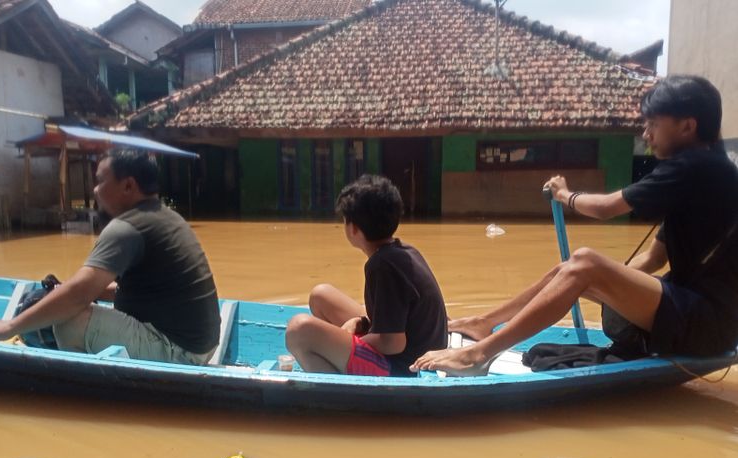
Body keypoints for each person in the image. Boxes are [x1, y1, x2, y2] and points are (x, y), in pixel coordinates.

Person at [411, 74, 738, 376]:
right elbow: (653, 258)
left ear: (687, 126)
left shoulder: (696, 165)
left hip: (706, 324)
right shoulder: (703, 174)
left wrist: (565, 194)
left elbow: (608, 208)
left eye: (653, 123)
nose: (645, 133)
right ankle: (485, 322)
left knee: (584, 263)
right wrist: (601, 285)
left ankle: (478, 355)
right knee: (572, 268)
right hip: (695, 313)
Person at [0, 149, 221, 365]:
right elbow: (134, 290)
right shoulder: (166, 217)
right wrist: (69, 289)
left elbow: (78, 296)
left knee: (68, 321)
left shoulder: (125, 228)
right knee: (50, 299)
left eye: (100, 181)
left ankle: (76, 381)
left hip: (178, 351)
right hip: (202, 345)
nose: (95, 191)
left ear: (128, 186)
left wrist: (8, 327)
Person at [285, 174, 448, 376]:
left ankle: (338, 389)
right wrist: (361, 323)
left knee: (298, 330)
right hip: (416, 349)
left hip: (407, 367)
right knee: (321, 295)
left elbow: (393, 343)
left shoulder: (383, 265)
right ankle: (340, 361)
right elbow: (395, 316)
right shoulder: (402, 251)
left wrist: (349, 339)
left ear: (353, 229)